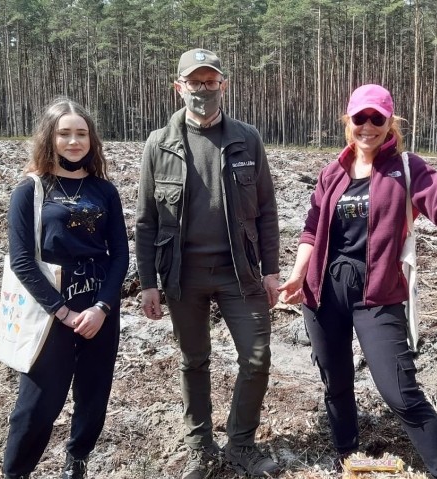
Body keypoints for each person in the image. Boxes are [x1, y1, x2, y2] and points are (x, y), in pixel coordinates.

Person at [278, 84, 437, 479]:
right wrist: (299, 274)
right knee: (336, 384)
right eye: (359, 118)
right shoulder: (331, 173)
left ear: (390, 123)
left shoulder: (406, 168)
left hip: (377, 296)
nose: (367, 126)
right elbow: (310, 229)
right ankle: (348, 459)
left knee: (400, 394)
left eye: (376, 119)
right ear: (347, 122)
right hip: (324, 295)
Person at [134, 48, 281, 479]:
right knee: (194, 360)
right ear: (179, 87)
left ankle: (240, 444)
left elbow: (267, 210)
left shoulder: (246, 138)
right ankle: (200, 447)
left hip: (242, 270)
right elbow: (145, 221)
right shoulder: (158, 145)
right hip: (183, 274)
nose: (203, 90)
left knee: (256, 357)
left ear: (224, 85)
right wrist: (148, 282)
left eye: (210, 82)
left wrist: (271, 270)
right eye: (194, 83)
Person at [2, 97, 129, 479]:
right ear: (50, 138)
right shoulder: (30, 190)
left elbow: (120, 255)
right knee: (40, 399)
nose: (74, 141)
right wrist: (64, 311)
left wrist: (102, 308)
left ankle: (77, 462)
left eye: (81, 133)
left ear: (91, 140)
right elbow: (22, 260)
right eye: (64, 134)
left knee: (94, 392)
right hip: (51, 307)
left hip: (98, 304)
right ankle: (16, 472)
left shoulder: (104, 190)